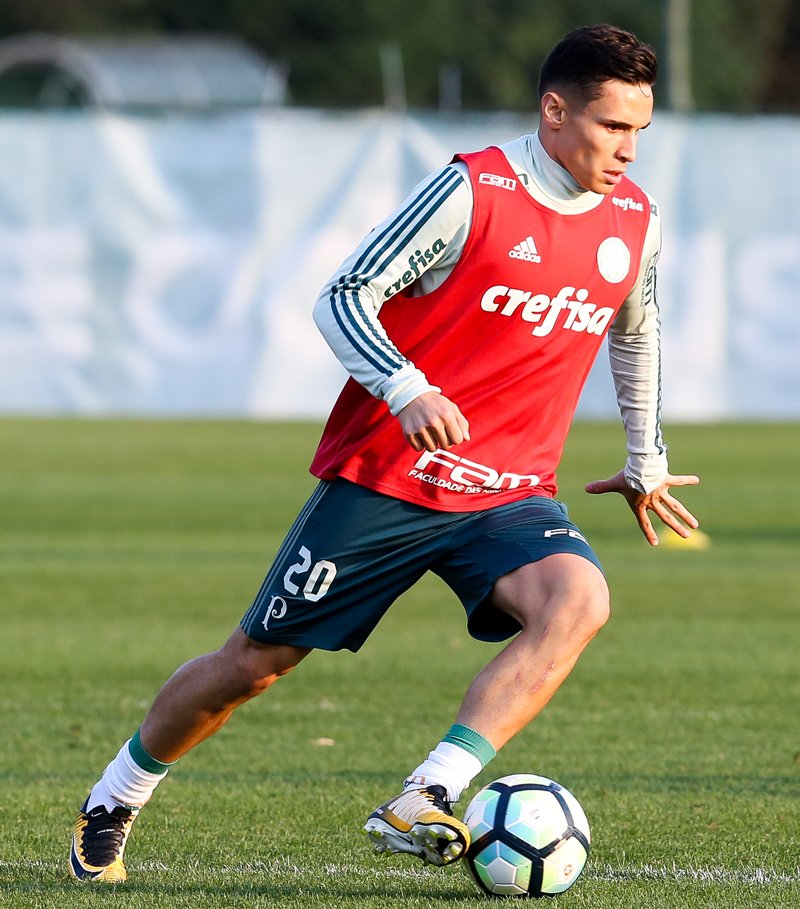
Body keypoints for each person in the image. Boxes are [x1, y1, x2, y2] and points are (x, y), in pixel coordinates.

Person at [69, 23, 699, 883]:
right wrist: (407, 389)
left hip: (509, 490)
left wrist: (645, 456)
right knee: (251, 666)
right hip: (390, 480)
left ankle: (426, 791)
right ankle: (116, 792)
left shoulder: (636, 219)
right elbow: (343, 294)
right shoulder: (472, 191)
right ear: (555, 111)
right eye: (612, 127)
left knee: (580, 600)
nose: (629, 150)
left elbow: (637, 331)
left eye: (640, 132)